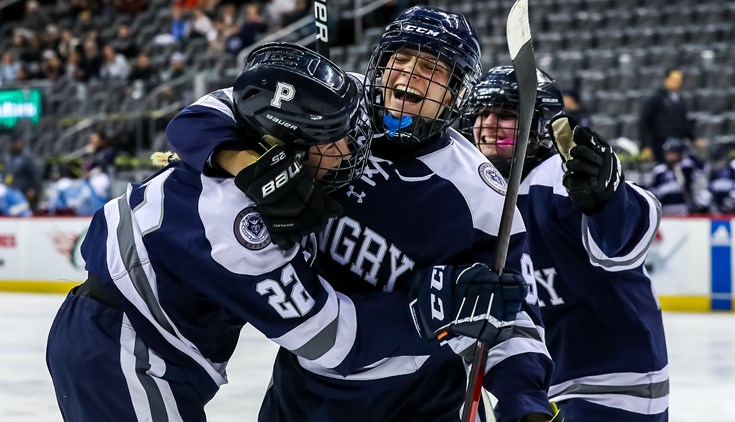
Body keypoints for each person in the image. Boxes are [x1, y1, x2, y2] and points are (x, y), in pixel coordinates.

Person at [47, 41, 528, 422]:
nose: (354, 149)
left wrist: (250, 165)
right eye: (337, 139)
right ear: (293, 144)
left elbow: (512, 308)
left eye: (432, 69)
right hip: (131, 349)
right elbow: (327, 338)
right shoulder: (246, 229)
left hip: (134, 335)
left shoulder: (306, 113)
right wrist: (427, 314)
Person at [166, 8, 556, 422]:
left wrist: (524, 404)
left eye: (430, 68)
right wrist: (253, 167)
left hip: (417, 403)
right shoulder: (331, 103)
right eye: (399, 61)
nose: (407, 78)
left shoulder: (481, 196)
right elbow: (198, 119)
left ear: (456, 93)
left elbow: (510, 314)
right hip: (302, 390)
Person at [460, 66, 669, 421]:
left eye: (506, 114)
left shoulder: (558, 176)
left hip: (613, 382)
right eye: (482, 113)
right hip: (544, 386)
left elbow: (627, 236)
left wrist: (607, 200)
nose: (489, 125)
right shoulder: (478, 190)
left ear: (541, 127)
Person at [638, 67, 697, 163]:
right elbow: (644, 122)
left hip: (678, 144)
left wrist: (694, 138)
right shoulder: (655, 98)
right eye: (675, 80)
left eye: (679, 80)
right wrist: (646, 146)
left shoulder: (679, 99)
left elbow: (683, 122)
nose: (678, 82)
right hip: (661, 144)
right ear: (666, 80)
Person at [648, 137, 711, 216]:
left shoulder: (687, 168)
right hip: (664, 210)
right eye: (668, 153)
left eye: (673, 153)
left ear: (680, 153)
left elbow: (702, 170)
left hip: (684, 209)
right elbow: (652, 190)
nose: (670, 156)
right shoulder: (659, 170)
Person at [706, 142, 735, 214]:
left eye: (720, 159)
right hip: (717, 209)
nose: (719, 163)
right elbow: (709, 190)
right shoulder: (713, 172)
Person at [3, 132, 42, 212]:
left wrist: (33, 189)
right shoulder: (8, 157)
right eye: (14, 143)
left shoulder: (27, 157)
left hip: (24, 193)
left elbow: (35, 174)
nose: (16, 144)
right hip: (10, 193)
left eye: (17, 142)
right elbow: (8, 174)